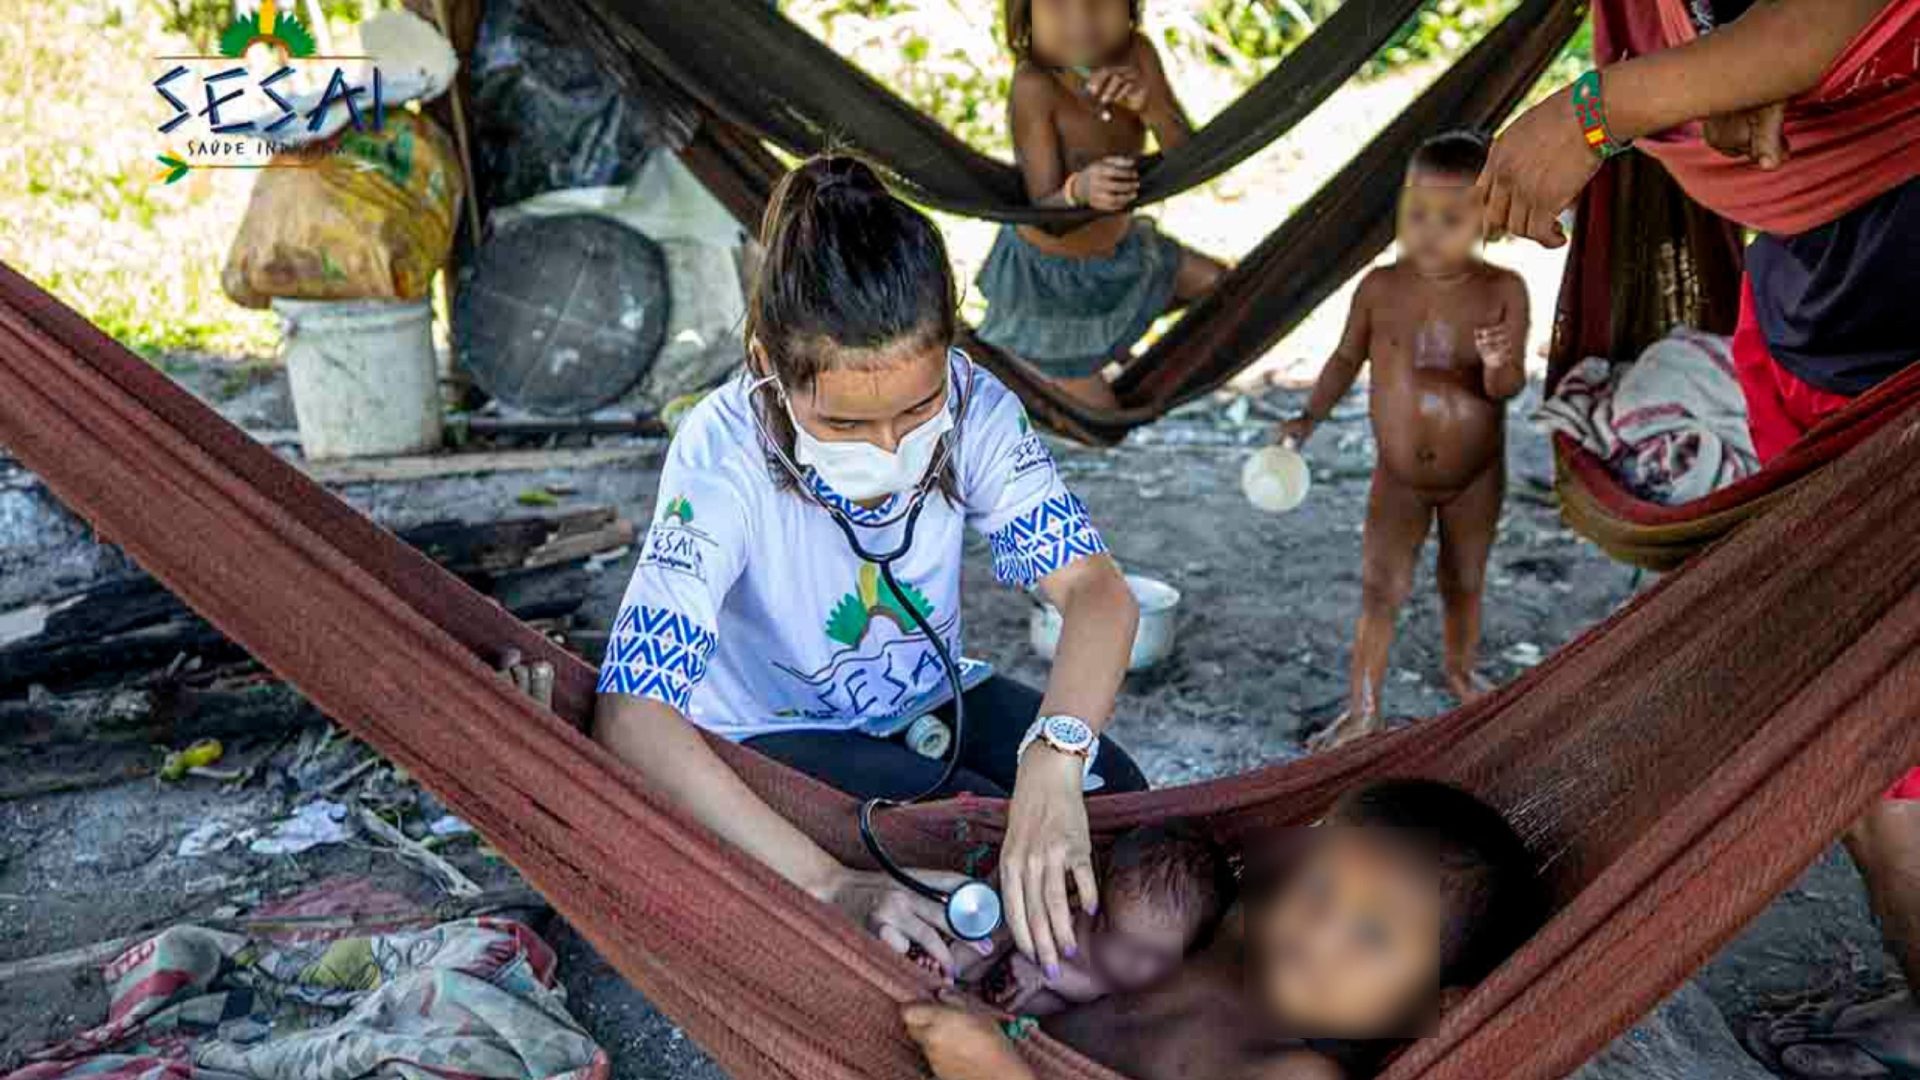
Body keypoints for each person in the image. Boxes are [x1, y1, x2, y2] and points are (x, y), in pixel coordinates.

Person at [1476, 1, 1920, 1071]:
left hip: (1892, 359)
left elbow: (1818, 25)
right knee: (1856, 719)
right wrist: (1723, 81)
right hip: (1815, 318)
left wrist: (1592, 113)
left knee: (1874, 746)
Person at [592, 153, 1149, 983]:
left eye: (917, 409)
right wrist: (830, 887)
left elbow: (1098, 596)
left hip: (923, 696)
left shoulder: (978, 408)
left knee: (1119, 802)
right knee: (950, 832)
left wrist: (1054, 758)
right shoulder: (721, 457)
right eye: (848, 423)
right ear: (766, 369)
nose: (892, 447)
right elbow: (631, 716)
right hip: (770, 733)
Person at [902, 779, 1546, 1080]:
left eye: (1373, 937)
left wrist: (989, 1067)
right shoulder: (1228, 923)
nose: (1319, 931)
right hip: (951, 1023)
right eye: (1320, 889)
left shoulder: (1297, 1075)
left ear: (1436, 1007)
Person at [1277, 131, 1527, 752]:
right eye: (1416, 213)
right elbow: (1341, 359)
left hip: (1475, 474)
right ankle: (1363, 704)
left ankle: (1461, 671)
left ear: (1489, 222)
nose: (1429, 230)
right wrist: (1307, 417)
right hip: (1397, 475)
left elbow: (1506, 389)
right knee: (1380, 586)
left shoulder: (1503, 291)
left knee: (1463, 576)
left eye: (1451, 217)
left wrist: (1498, 364)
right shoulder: (1379, 289)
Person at [973, 0, 1227, 410]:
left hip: (1124, 257)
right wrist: (1078, 191)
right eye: (1057, 7)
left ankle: (1108, 342)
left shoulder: (1138, 54)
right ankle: (1018, 362)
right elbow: (1044, 208)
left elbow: (1191, 158)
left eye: (1099, 1)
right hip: (1049, 285)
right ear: (1026, 16)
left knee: (1222, 288)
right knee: (1102, 413)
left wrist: (1153, 108)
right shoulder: (1034, 85)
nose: (1081, 20)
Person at [955, 822, 1229, 1015]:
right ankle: (942, 969)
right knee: (996, 928)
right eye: (1126, 942)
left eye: (1163, 957)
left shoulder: (1158, 987)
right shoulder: (1073, 910)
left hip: (1044, 1028)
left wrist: (1048, 976)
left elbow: (1115, 1005)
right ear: (1095, 905)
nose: (1140, 967)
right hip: (1001, 968)